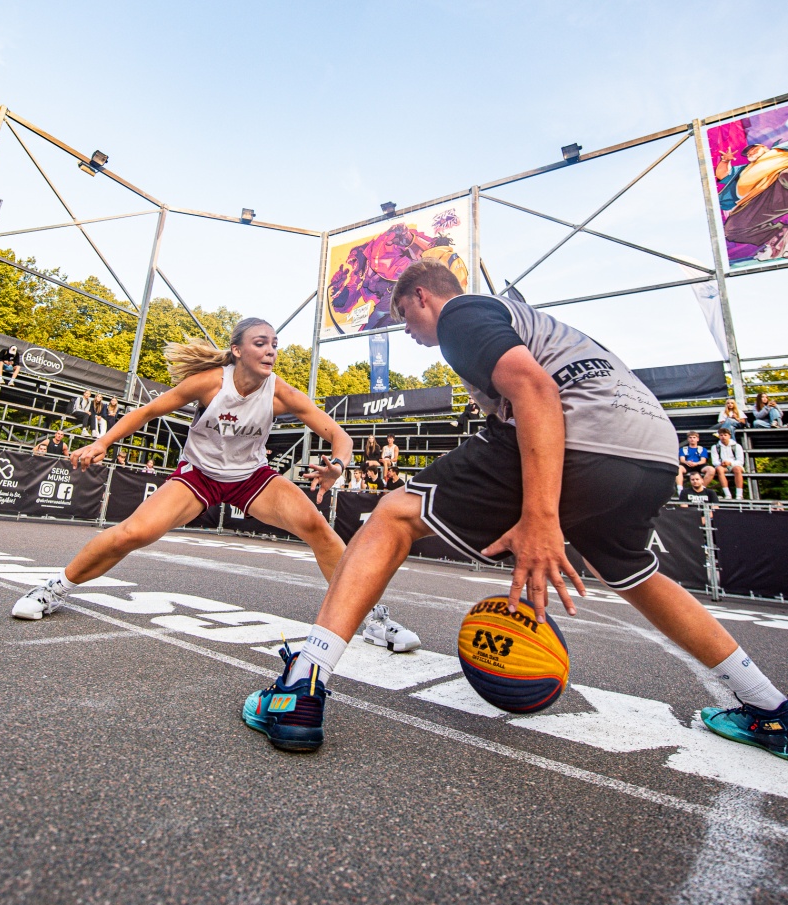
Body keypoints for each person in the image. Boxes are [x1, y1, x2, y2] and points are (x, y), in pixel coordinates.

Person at [240, 259, 788, 760]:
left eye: (405, 314)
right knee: (635, 575)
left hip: (583, 432)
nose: (406, 329)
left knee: (393, 515)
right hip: (651, 452)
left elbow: (536, 391)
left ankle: (300, 688)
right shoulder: (532, 325)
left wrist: (541, 517)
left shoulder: (461, 316)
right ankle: (769, 708)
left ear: (424, 296)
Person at [9, 317, 421, 652]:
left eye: (275, 344)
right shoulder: (209, 383)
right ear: (237, 350)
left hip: (251, 477)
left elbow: (339, 435)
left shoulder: (281, 393)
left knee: (318, 528)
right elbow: (148, 412)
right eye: (260, 343)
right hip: (199, 474)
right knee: (133, 533)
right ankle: (53, 589)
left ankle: (372, 619)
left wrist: (337, 466)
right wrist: (102, 442)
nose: (271, 350)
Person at [711, 428, 746, 499]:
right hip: (722, 465)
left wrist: (730, 463)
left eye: (725, 435)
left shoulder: (737, 446)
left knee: (737, 469)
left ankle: (739, 494)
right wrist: (721, 463)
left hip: (735, 465)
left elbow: (740, 461)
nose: (723, 437)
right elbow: (714, 461)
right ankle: (727, 494)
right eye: (721, 435)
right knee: (719, 469)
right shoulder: (715, 447)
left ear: (729, 436)